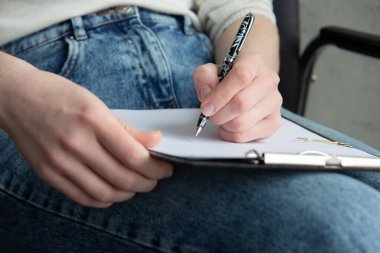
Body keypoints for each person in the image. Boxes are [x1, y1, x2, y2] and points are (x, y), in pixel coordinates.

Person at [0, 1, 379, 252]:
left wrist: (251, 75)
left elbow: (242, 8)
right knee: (348, 228)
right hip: (33, 89)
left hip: (201, 73)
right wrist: (13, 90)